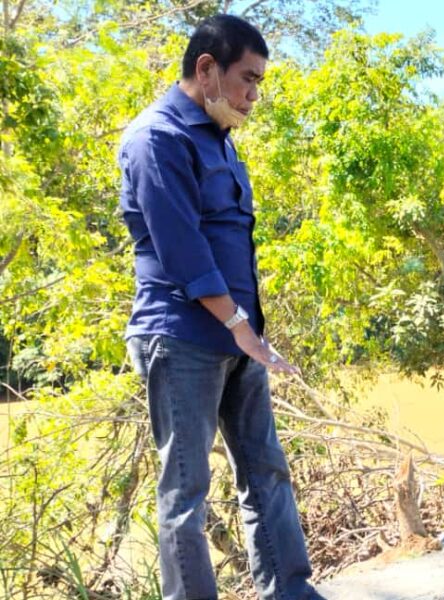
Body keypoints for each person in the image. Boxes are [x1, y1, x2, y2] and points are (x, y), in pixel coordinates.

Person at [118, 14, 321, 600]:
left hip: (237, 339)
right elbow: (184, 249)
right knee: (186, 491)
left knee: (266, 471)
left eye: (260, 83)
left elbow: (235, 243)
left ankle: (291, 590)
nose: (254, 95)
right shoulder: (157, 138)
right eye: (247, 79)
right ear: (206, 69)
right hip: (182, 337)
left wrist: (247, 329)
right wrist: (237, 324)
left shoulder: (219, 139)